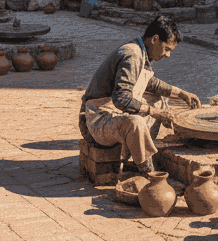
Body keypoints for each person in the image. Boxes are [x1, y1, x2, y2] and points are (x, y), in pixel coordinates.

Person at [81, 16, 201, 175]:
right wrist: (153, 112)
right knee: (136, 122)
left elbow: (151, 82)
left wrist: (181, 93)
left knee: (158, 100)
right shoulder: (132, 55)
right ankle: (149, 174)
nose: (168, 55)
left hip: (112, 112)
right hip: (97, 120)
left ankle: (137, 156)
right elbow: (121, 98)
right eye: (167, 49)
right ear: (155, 39)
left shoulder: (141, 51)